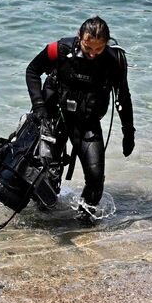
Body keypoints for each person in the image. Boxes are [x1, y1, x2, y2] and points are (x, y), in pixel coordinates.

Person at [24, 15, 135, 223]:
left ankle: (85, 225)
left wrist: (129, 132)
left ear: (107, 43)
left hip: (87, 121)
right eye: (87, 47)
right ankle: (44, 227)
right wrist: (39, 106)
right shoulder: (59, 49)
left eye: (98, 49)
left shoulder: (115, 61)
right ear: (79, 37)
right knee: (46, 179)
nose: (92, 54)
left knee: (95, 180)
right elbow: (32, 71)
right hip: (54, 116)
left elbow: (123, 97)